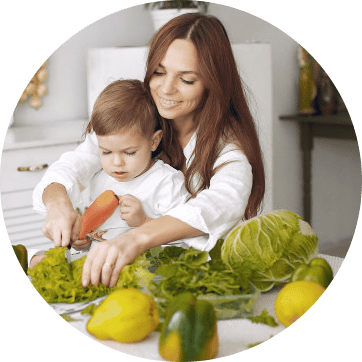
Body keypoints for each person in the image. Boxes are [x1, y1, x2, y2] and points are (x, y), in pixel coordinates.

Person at [32, 13, 265, 288]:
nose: (166, 89)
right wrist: (58, 205)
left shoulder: (227, 148)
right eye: (159, 72)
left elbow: (222, 204)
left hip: (193, 279)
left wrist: (136, 237)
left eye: (187, 79)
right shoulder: (136, 117)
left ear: (213, 83)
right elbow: (77, 162)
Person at [29, 78, 191, 266]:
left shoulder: (167, 183)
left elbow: (183, 245)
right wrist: (83, 241)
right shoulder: (98, 178)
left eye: (129, 152)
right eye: (106, 152)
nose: (116, 163)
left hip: (141, 275)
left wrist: (144, 221)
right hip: (96, 269)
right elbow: (96, 237)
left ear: (154, 141)